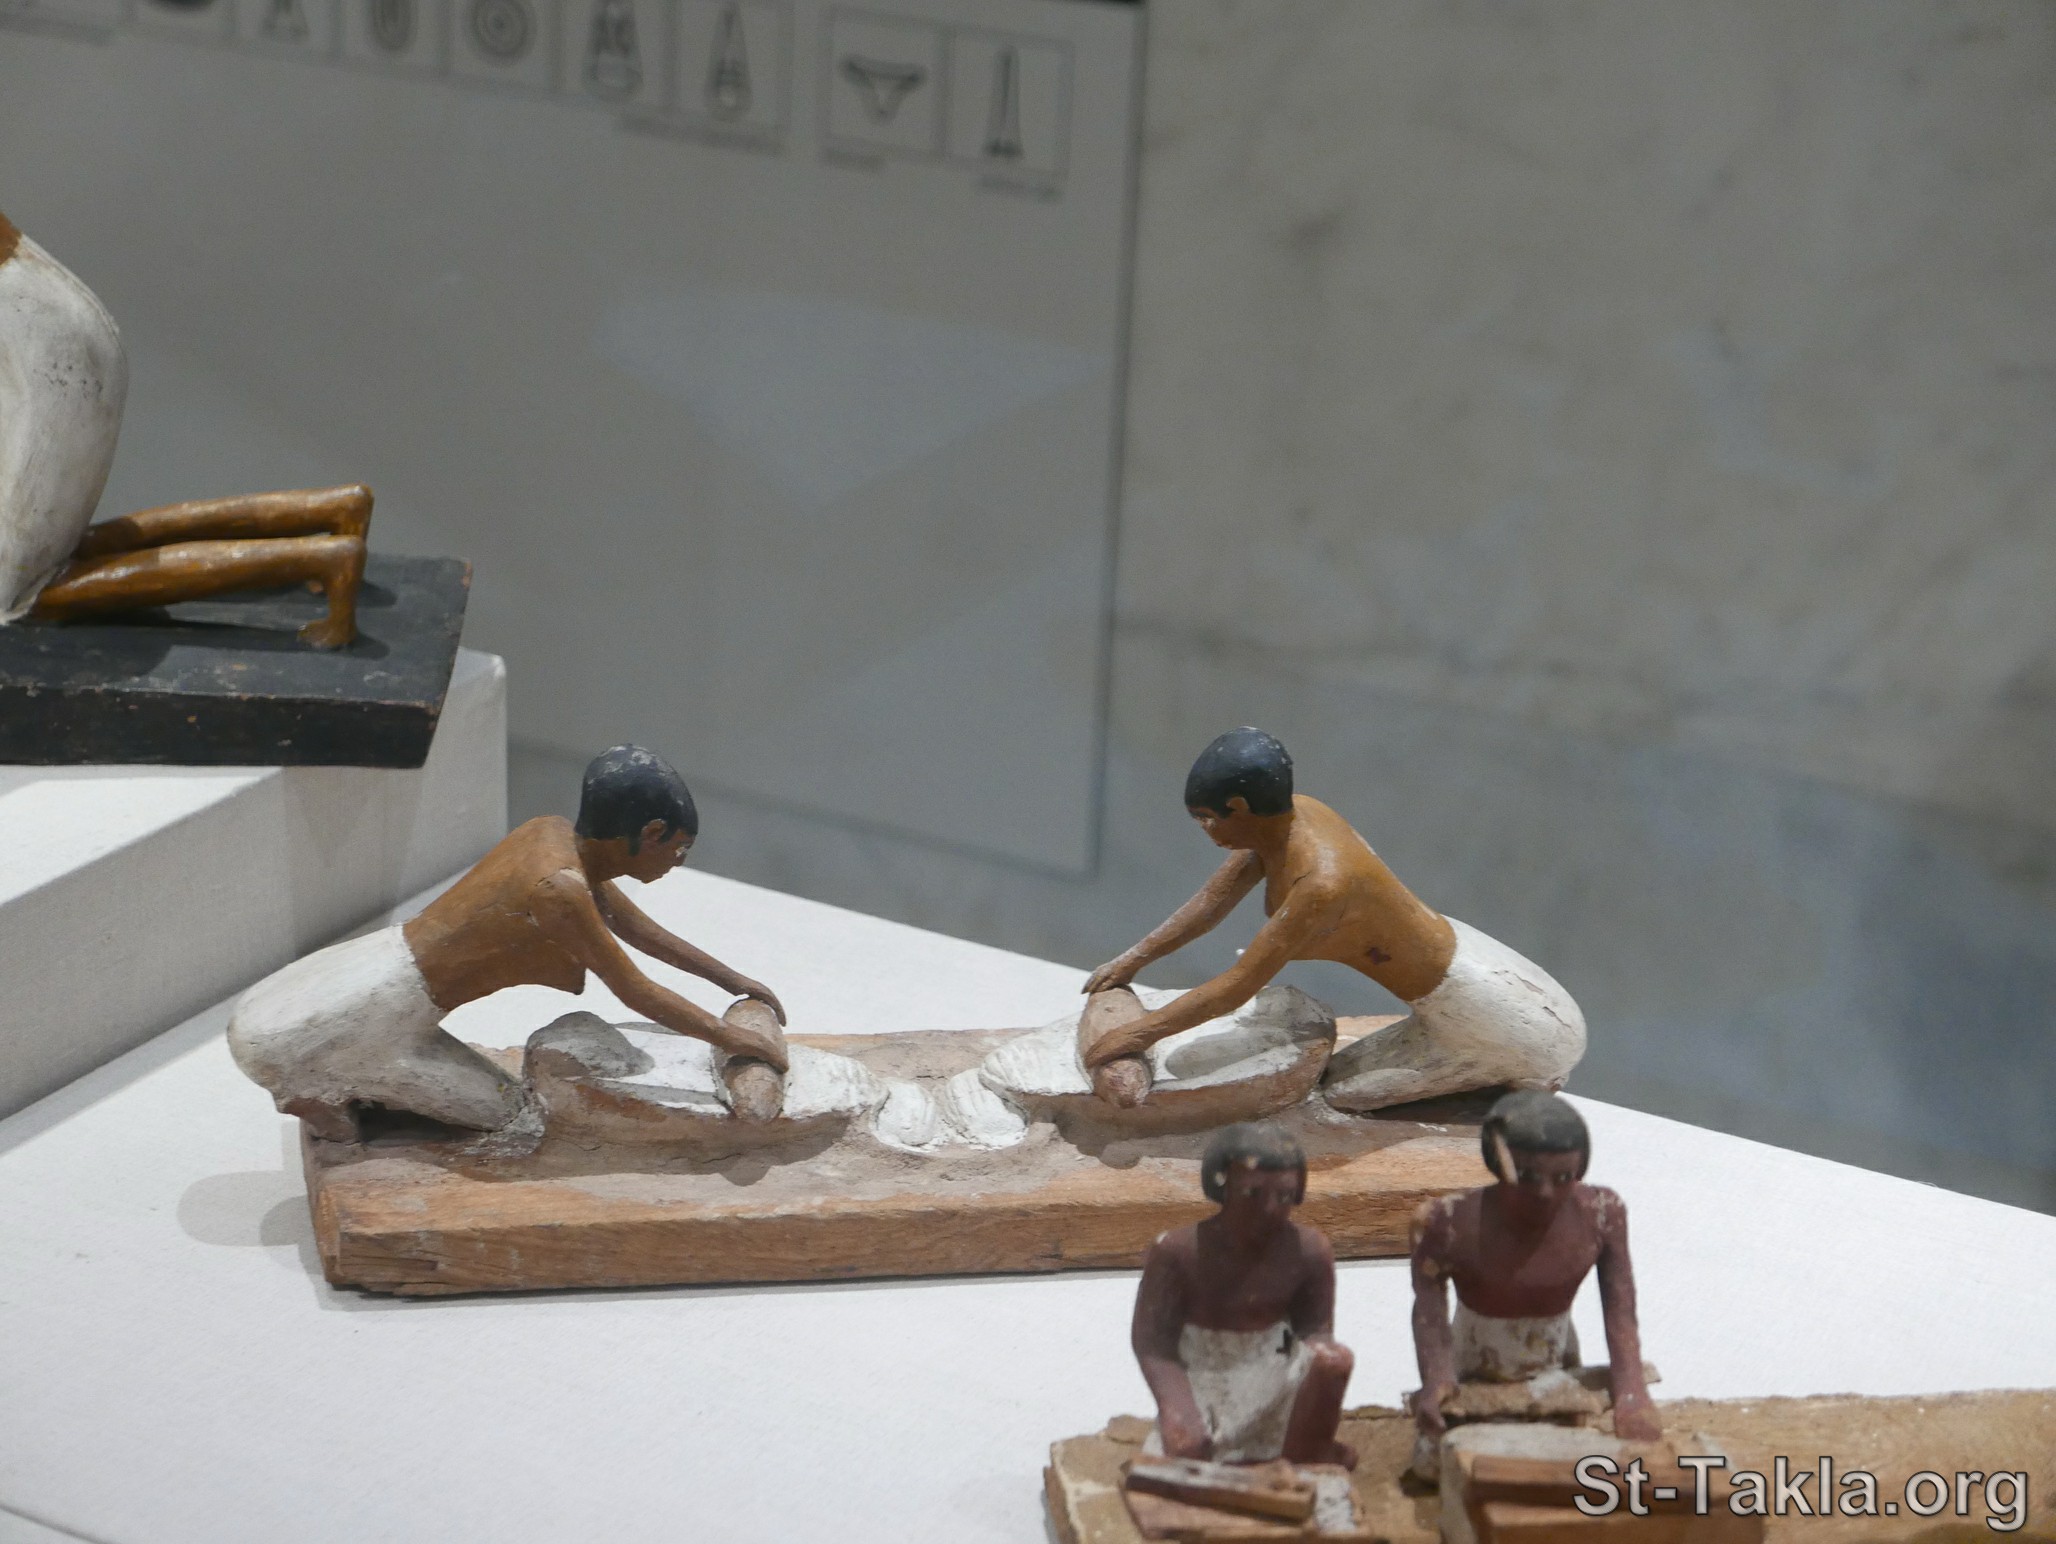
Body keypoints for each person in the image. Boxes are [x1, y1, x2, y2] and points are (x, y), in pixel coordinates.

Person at [227, 745, 788, 1140]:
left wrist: (734, 982)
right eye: (679, 849)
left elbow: (640, 930)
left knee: (498, 1102)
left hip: (365, 972)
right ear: (650, 834)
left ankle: (340, 1076)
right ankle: (320, 1083)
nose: (677, 863)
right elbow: (634, 988)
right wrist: (732, 1036)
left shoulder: (551, 835)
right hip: (364, 1016)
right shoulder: (558, 889)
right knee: (509, 1114)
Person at [1081, 728, 1584, 1111]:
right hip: (1489, 971)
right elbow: (1211, 903)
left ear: (1239, 806)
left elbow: (1237, 985)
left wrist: (1135, 1036)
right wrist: (1134, 959)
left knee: (1339, 1095)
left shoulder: (1320, 883)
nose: (1207, 832)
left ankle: (1513, 1074)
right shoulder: (1292, 817)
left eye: (1208, 819)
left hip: (1497, 1018)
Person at [0, 208, 371, 647]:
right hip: (60, 353)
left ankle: (329, 560)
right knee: (71, 548)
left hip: (55, 371)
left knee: (23, 590)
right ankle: (338, 512)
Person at [1408, 1090, 1659, 1477]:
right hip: (1471, 1364)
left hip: (1557, 1363)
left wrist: (1631, 1391)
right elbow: (1428, 1306)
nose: (1545, 1193)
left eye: (1563, 1178)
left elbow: (1620, 1309)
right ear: (1498, 1162)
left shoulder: (1602, 1213)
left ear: (1580, 1170)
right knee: (1441, 1466)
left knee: (1560, 1460)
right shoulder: (1448, 1221)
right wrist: (1438, 1377)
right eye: (1527, 1177)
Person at [1131, 1122, 1356, 1467]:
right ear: (1223, 1186)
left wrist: (1318, 1367)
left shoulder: (1309, 1250)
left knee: (1334, 1361)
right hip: (1205, 1372)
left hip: (1276, 1364)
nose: (1269, 1209)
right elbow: (1154, 1345)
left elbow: (1314, 1330)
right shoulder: (1177, 1251)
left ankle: (1305, 1457)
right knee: (1187, 1453)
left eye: (1283, 1196)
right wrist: (1177, 1409)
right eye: (1253, 1193)